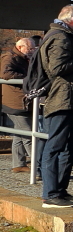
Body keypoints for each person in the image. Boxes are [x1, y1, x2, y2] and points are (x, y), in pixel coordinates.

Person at [38, 5, 73, 208]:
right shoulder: (60, 37)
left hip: (71, 98)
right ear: (72, 20)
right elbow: (57, 68)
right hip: (62, 98)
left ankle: (60, 191)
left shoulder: (66, 36)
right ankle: (50, 194)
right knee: (55, 146)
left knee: (70, 146)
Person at [1, 38, 35, 173]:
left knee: (19, 134)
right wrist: (27, 79)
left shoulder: (24, 58)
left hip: (22, 101)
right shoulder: (9, 57)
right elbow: (5, 74)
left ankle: (18, 164)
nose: (32, 51)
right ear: (20, 47)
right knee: (28, 134)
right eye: (30, 48)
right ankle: (39, 167)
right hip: (14, 102)